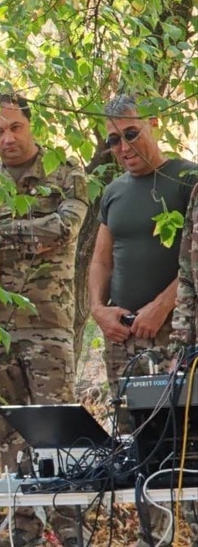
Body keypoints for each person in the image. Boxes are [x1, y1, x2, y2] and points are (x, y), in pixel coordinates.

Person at [0, 93, 89, 546]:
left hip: (48, 327)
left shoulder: (66, 171)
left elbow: (65, 228)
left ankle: (74, 535)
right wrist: (30, 234)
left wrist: (3, 235)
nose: (6, 138)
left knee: (62, 440)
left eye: (14, 128)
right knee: (10, 442)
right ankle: (22, 537)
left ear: (32, 126)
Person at [90, 94, 198, 546]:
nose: (123, 146)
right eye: (113, 140)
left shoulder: (186, 178)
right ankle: (154, 536)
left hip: (177, 338)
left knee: (187, 442)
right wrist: (98, 310)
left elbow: (194, 260)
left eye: (131, 133)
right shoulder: (114, 191)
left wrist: (162, 306)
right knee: (138, 446)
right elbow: (100, 261)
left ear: (154, 123)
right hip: (124, 340)